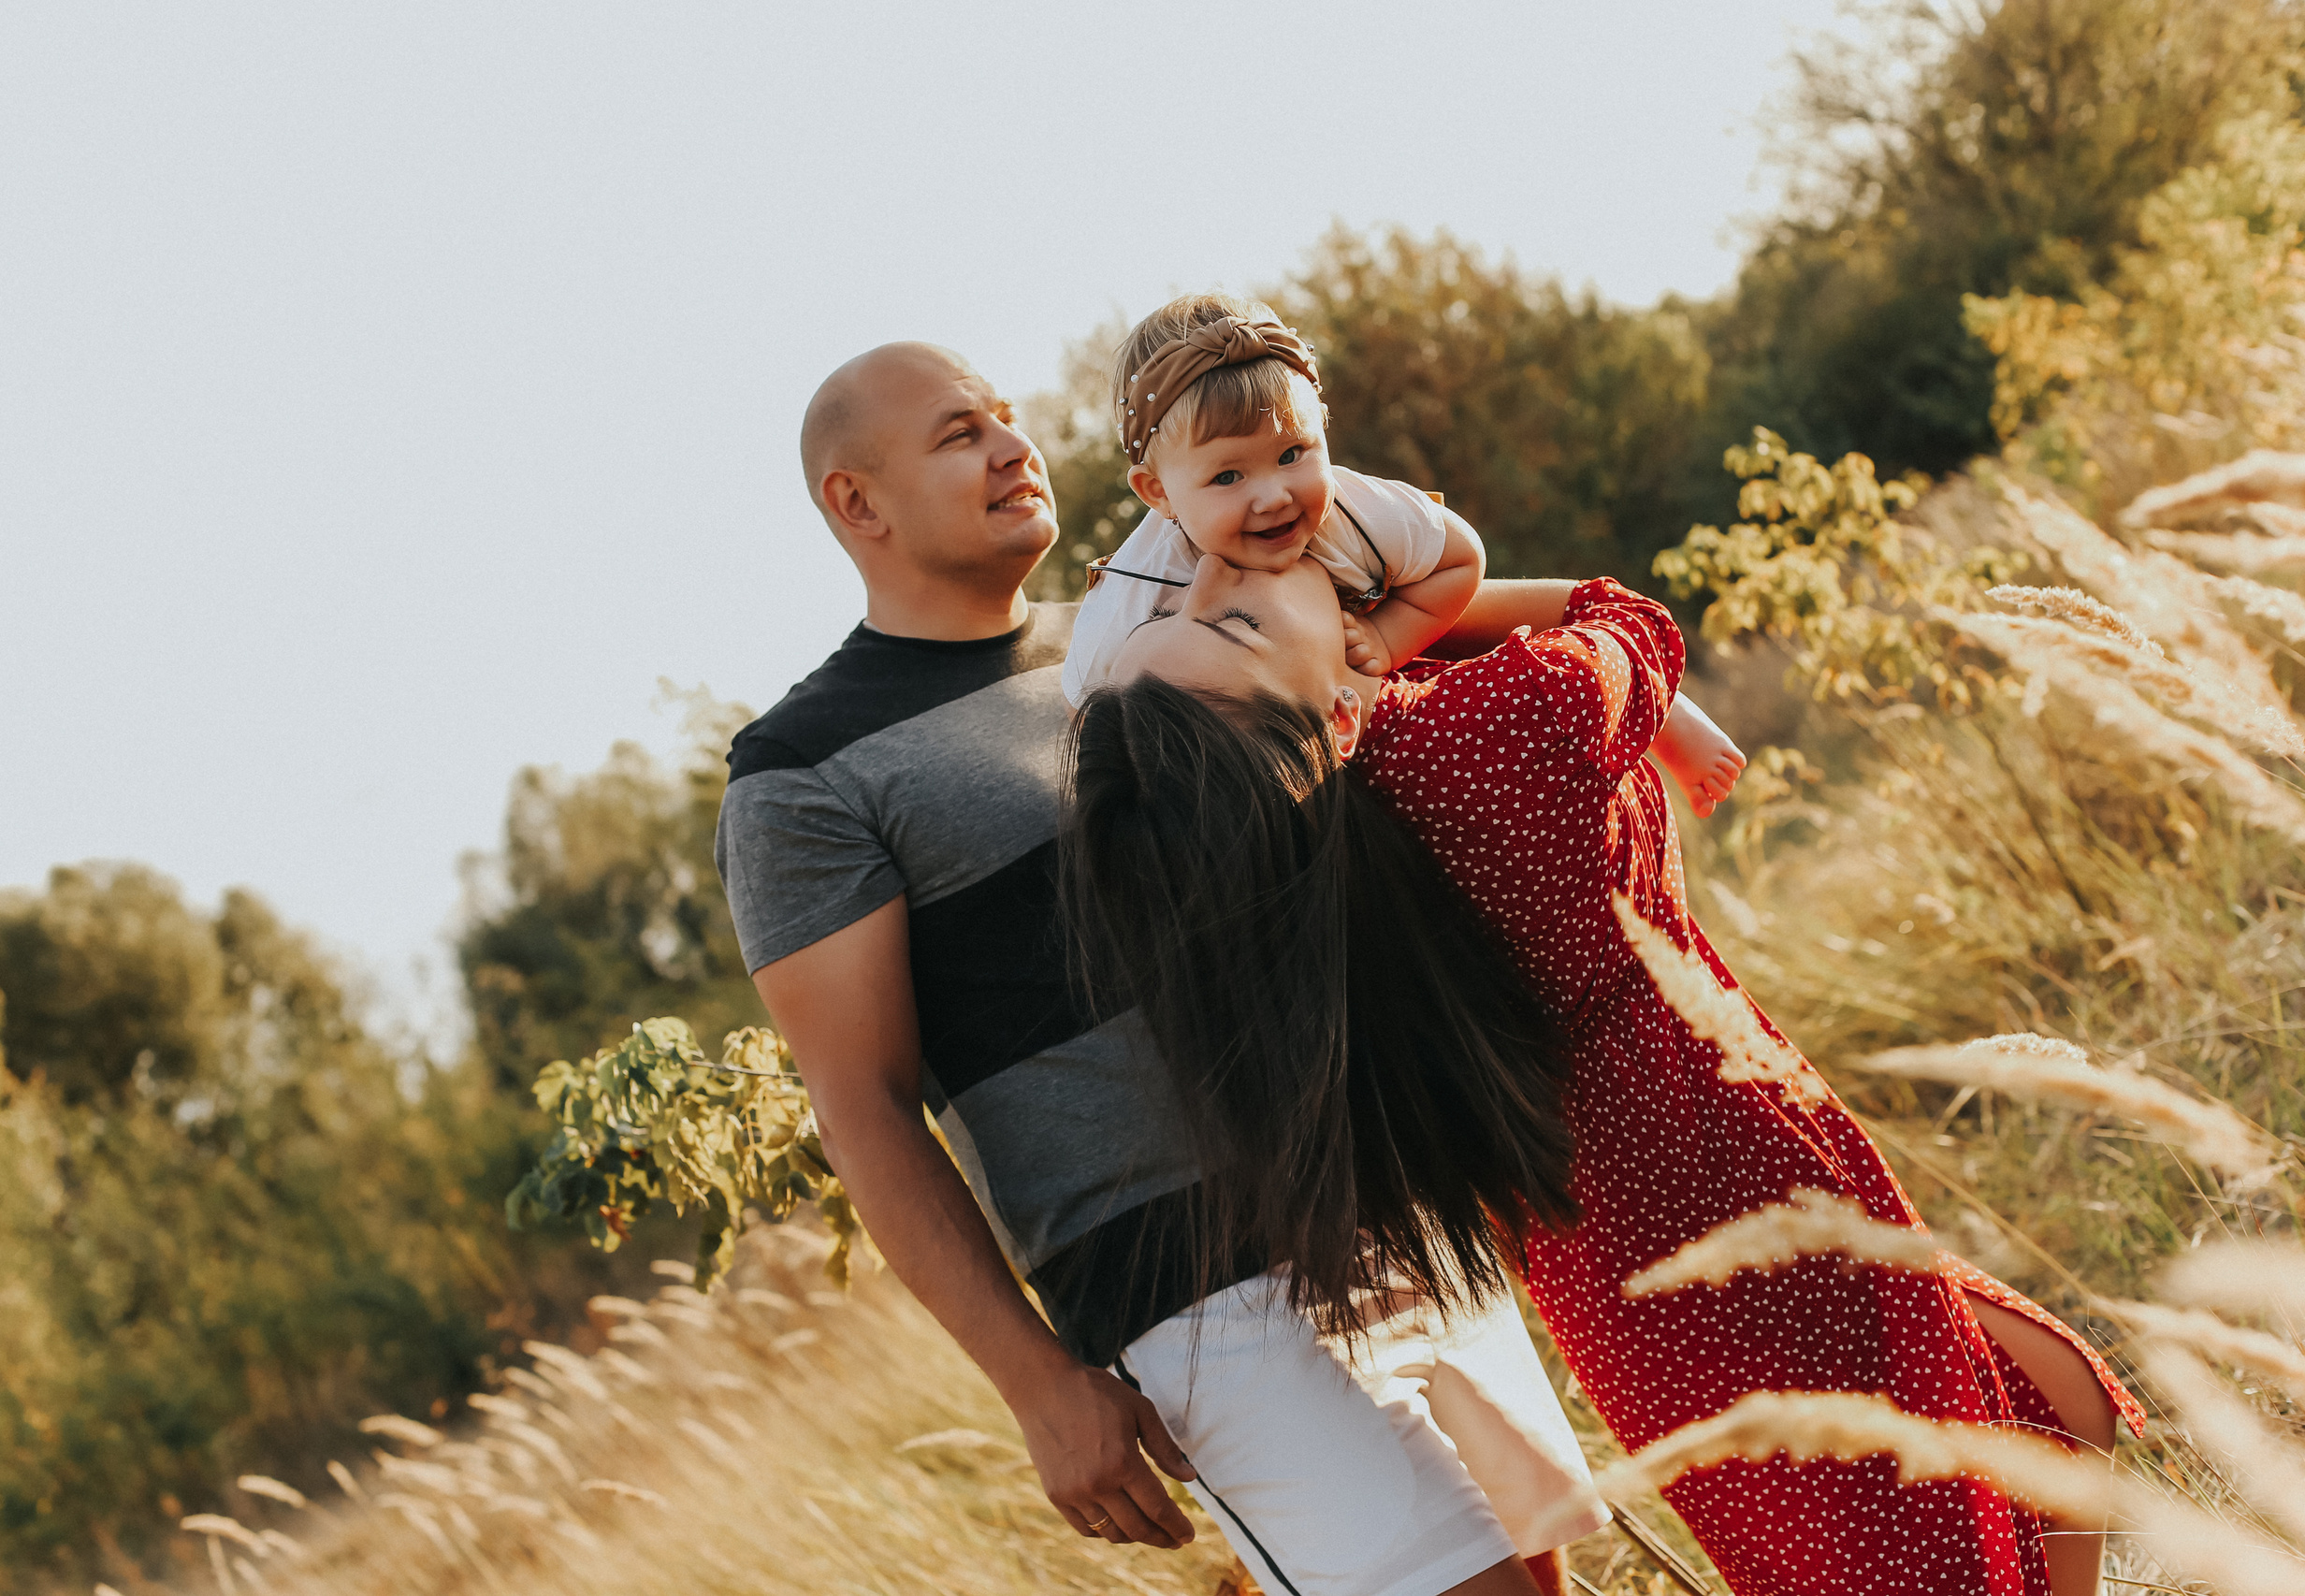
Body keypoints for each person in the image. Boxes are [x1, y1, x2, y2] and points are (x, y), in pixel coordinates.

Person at [1065, 550, 2146, 1596]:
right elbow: (1627, 618)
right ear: (1333, 718)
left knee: (2038, 1407)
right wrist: (1398, 600)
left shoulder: (1330, 836)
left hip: (1615, 1262)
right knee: (1956, 1495)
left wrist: (1358, 635)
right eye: (1232, 620)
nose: (1213, 571)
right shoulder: (1488, 723)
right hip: (1723, 1173)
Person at [717, 341, 1605, 1596]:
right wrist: (1037, 1383)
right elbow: (861, 1100)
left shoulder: (1149, 622)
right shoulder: (805, 769)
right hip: (1189, 1289)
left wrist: (1615, 631)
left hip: (1379, 1196)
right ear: (856, 502)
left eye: (1009, 418)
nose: (1014, 448)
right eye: (962, 433)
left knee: (1543, 1577)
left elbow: (1398, 622)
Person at [1062, 293, 1746, 819]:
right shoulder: (1135, 591)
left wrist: (1388, 638)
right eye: (1228, 476)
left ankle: (1663, 714)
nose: (1273, 495)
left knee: (1495, 641)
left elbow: (1463, 562)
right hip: (1290, 735)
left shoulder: (1359, 513)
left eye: (1294, 453)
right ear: (1158, 493)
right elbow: (1090, 709)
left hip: (1377, 650)